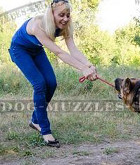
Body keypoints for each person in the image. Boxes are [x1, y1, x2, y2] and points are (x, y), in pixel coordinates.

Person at [8, 0, 97, 148]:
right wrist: (82, 69)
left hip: (36, 50)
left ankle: (35, 120)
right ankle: (45, 129)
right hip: (20, 50)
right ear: (51, 14)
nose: (65, 18)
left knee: (51, 83)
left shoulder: (65, 26)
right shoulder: (39, 25)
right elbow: (59, 52)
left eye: (68, 15)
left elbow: (72, 49)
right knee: (39, 84)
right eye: (61, 15)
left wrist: (88, 65)